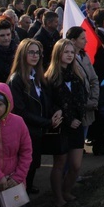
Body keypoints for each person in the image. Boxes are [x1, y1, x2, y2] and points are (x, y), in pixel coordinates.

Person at [8, 38, 61, 195]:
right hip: (25, 132)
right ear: (23, 54)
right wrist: (47, 122)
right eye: (31, 52)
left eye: (37, 52)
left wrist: (56, 111)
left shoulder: (37, 77)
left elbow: (47, 101)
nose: (35, 56)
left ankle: (27, 196)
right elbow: (20, 112)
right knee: (24, 169)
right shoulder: (16, 79)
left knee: (33, 166)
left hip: (37, 132)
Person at [44, 39, 87, 207]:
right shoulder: (50, 78)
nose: (69, 55)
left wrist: (79, 117)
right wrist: (68, 119)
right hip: (61, 126)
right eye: (66, 52)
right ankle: (58, 196)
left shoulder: (76, 75)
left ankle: (67, 190)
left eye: (71, 52)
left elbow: (82, 99)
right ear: (58, 54)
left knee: (76, 165)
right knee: (60, 163)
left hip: (77, 125)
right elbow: (51, 103)